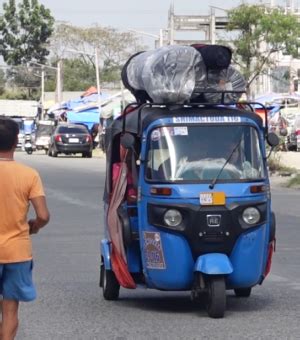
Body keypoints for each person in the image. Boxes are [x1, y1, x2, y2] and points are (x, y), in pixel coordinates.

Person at [0, 117, 50, 340]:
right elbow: (43, 215)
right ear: (15, 142)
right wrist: (35, 226)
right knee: (10, 310)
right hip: (17, 253)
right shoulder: (29, 175)